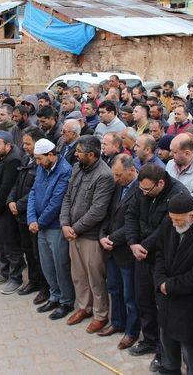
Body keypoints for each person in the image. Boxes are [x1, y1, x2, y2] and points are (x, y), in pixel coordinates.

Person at [125, 164, 188, 370]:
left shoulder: (177, 194)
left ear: (160, 183)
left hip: (162, 257)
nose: (143, 193)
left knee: (162, 307)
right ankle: (149, 340)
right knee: (143, 301)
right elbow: (131, 215)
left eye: (147, 190)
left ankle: (163, 351)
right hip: (140, 253)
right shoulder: (141, 187)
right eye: (141, 189)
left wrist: (143, 246)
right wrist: (133, 243)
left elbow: (166, 228)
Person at [154, 192, 193, 375]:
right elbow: (159, 254)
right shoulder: (169, 223)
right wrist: (160, 280)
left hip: (188, 301)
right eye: (171, 219)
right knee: (166, 337)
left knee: (190, 346)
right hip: (166, 295)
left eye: (178, 220)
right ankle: (170, 368)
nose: (174, 224)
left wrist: (169, 286)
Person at [60, 135, 114, 332]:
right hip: (73, 232)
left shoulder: (104, 175)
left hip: (89, 236)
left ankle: (100, 314)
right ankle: (84, 307)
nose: (75, 155)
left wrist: (75, 228)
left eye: (79, 152)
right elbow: (67, 197)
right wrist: (65, 223)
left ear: (91, 154)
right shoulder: (77, 168)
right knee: (78, 275)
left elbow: (98, 210)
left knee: (95, 278)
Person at [28, 139, 75, 320]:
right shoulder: (42, 167)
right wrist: (31, 218)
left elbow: (57, 202)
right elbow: (33, 192)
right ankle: (54, 295)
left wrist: (39, 222)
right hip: (40, 225)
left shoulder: (65, 171)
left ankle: (66, 301)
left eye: (40, 159)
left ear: (51, 155)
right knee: (47, 264)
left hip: (54, 226)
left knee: (60, 265)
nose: (38, 163)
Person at [99, 154, 141, 349]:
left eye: (118, 175)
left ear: (131, 170)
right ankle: (117, 323)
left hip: (126, 250)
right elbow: (107, 214)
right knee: (114, 289)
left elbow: (136, 223)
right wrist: (102, 236)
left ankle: (131, 331)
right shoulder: (117, 186)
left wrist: (112, 239)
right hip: (111, 248)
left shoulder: (141, 189)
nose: (115, 179)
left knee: (129, 295)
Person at [7, 126, 48, 302]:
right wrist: (11, 201)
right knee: (28, 251)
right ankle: (33, 280)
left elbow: (35, 190)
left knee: (38, 254)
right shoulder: (26, 159)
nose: (24, 146)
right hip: (20, 214)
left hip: (33, 215)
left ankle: (45, 287)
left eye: (28, 143)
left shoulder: (42, 163)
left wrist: (20, 204)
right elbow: (17, 183)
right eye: (24, 143)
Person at [0, 131, 25, 295]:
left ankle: (15, 277)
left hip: (5, 211)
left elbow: (6, 187)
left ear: (8, 145)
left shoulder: (13, 160)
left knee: (10, 244)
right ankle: (4, 272)